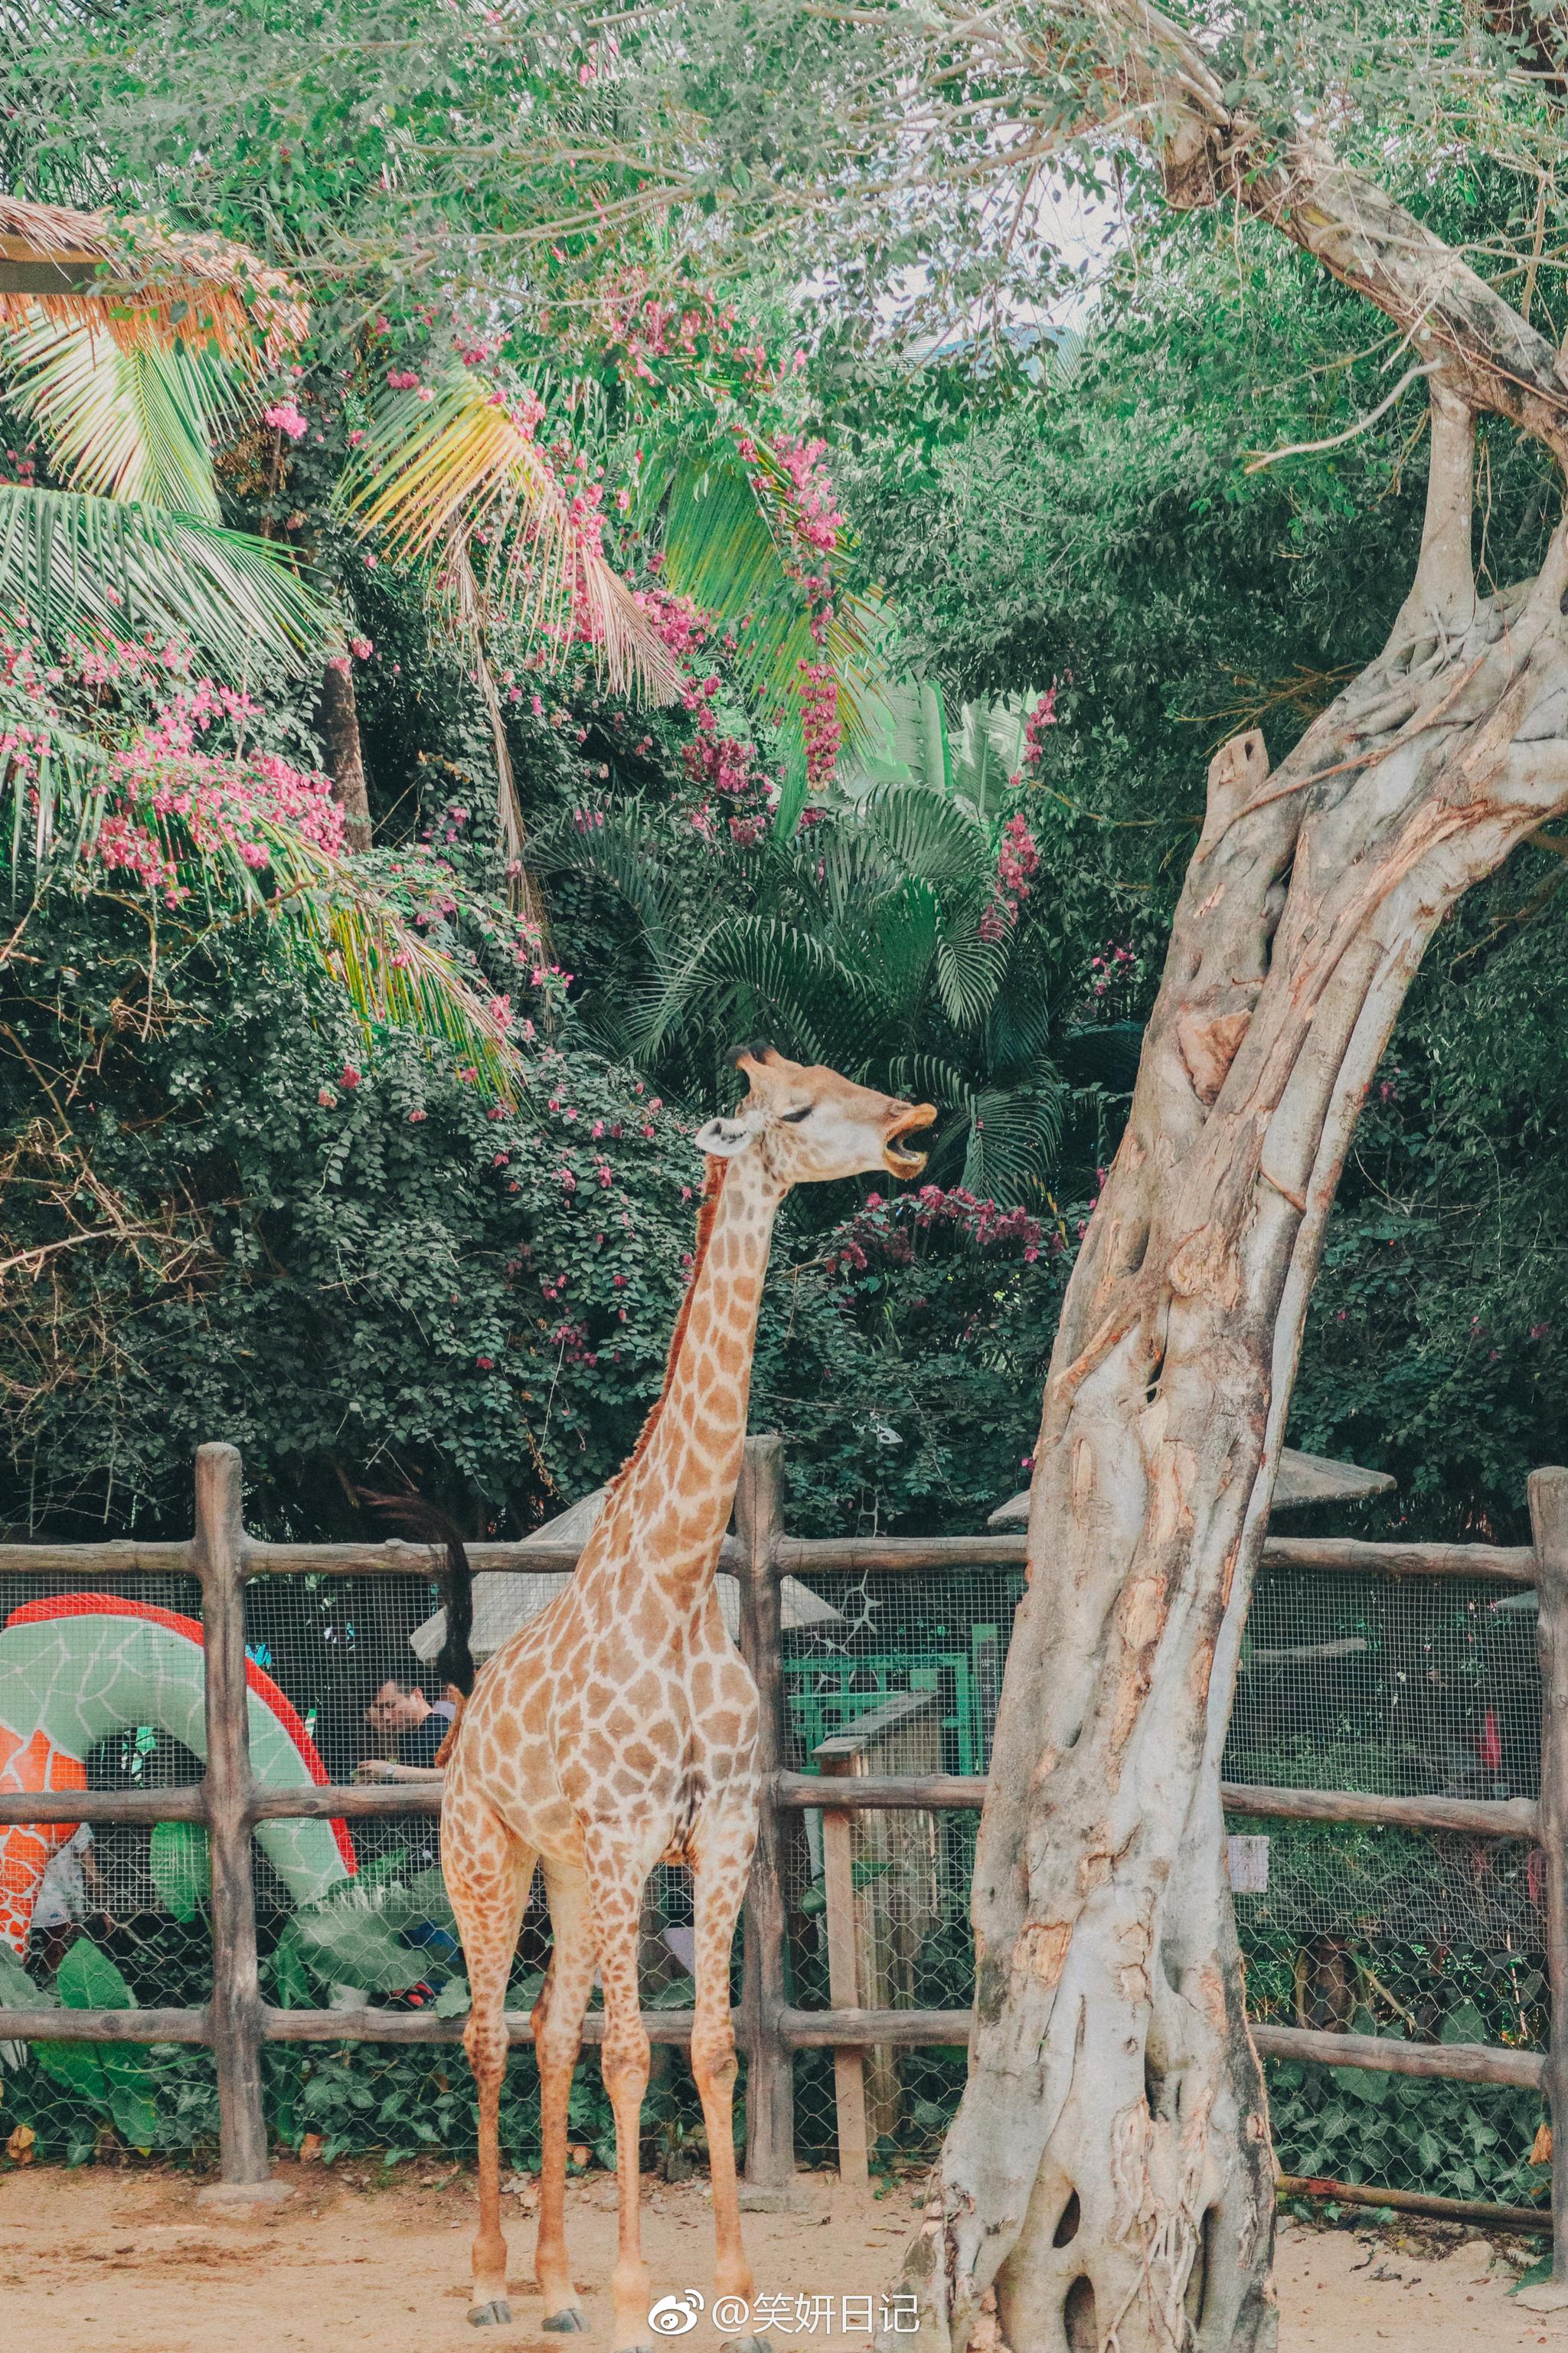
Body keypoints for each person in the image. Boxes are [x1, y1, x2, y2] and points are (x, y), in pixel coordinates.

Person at [360, 1675, 456, 1779]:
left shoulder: (438, 1728)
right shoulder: (407, 1735)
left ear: (417, 1695)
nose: (386, 1717)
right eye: (381, 1710)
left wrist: (390, 1770)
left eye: (391, 1705)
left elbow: (457, 1774)